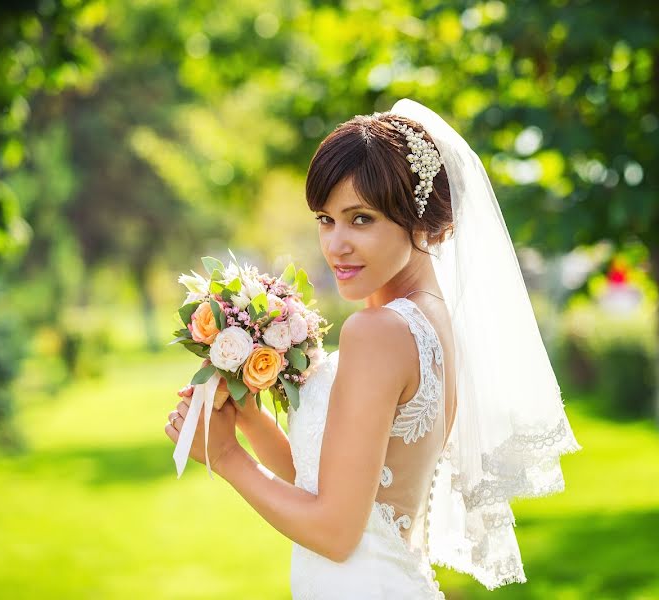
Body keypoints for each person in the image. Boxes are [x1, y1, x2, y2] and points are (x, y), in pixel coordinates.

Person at [164, 99, 581, 598]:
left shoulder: (378, 331)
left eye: (360, 219)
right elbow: (330, 481)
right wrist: (250, 414)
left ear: (424, 222)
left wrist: (228, 456)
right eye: (325, 218)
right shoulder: (430, 319)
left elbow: (337, 533)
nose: (336, 244)